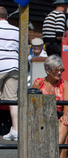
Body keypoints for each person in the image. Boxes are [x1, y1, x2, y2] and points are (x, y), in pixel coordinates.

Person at [32, 55, 68, 158]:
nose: (60, 73)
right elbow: (32, 104)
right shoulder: (38, 83)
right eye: (57, 70)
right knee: (64, 135)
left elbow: (67, 105)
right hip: (42, 118)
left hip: (59, 116)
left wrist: (66, 114)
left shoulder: (65, 84)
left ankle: (50, 157)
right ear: (47, 70)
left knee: (64, 122)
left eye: (62, 70)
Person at [0, 6, 19, 142]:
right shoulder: (16, 30)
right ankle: (15, 130)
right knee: (12, 99)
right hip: (14, 65)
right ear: (7, 17)